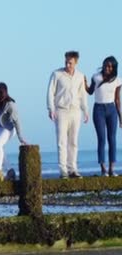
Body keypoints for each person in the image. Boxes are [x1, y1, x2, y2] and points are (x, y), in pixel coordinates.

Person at [47, 51, 90, 179]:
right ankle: (63, 170)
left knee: (74, 142)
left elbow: (83, 95)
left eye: (70, 63)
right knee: (62, 141)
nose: (67, 64)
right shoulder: (57, 74)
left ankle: (73, 169)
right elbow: (50, 92)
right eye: (66, 62)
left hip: (75, 111)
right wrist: (51, 108)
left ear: (76, 62)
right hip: (61, 111)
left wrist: (86, 111)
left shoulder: (80, 76)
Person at [84, 56, 122, 177]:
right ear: (103, 65)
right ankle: (103, 169)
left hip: (111, 110)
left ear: (114, 68)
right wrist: (84, 83)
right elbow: (90, 92)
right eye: (106, 65)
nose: (107, 68)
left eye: (110, 66)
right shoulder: (96, 77)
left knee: (112, 139)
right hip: (99, 109)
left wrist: (120, 117)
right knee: (101, 139)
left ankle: (111, 169)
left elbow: (117, 100)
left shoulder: (117, 80)